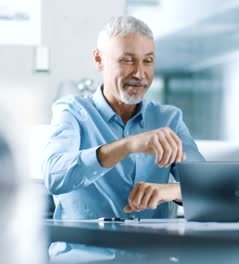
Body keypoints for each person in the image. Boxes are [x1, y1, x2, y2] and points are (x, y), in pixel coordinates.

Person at [42, 16, 204, 220]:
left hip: (154, 249)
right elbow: (53, 176)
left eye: (148, 61)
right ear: (99, 60)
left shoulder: (168, 119)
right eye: (127, 60)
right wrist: (127, 145)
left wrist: (172, 191)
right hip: (87, 250)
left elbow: (209, 187)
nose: (139, 73)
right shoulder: (72, 111)